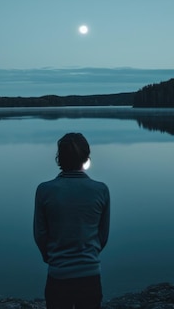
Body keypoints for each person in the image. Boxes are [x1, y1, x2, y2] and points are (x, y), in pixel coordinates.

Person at [33, 132, 111, 309]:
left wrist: (52, 258)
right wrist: (88, 256)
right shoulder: (101, 190)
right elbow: (103, 236)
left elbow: (40, 234)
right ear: (86, 157)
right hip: (90, 275)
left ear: (59, 158)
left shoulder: (44, 191)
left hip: (58, 275)